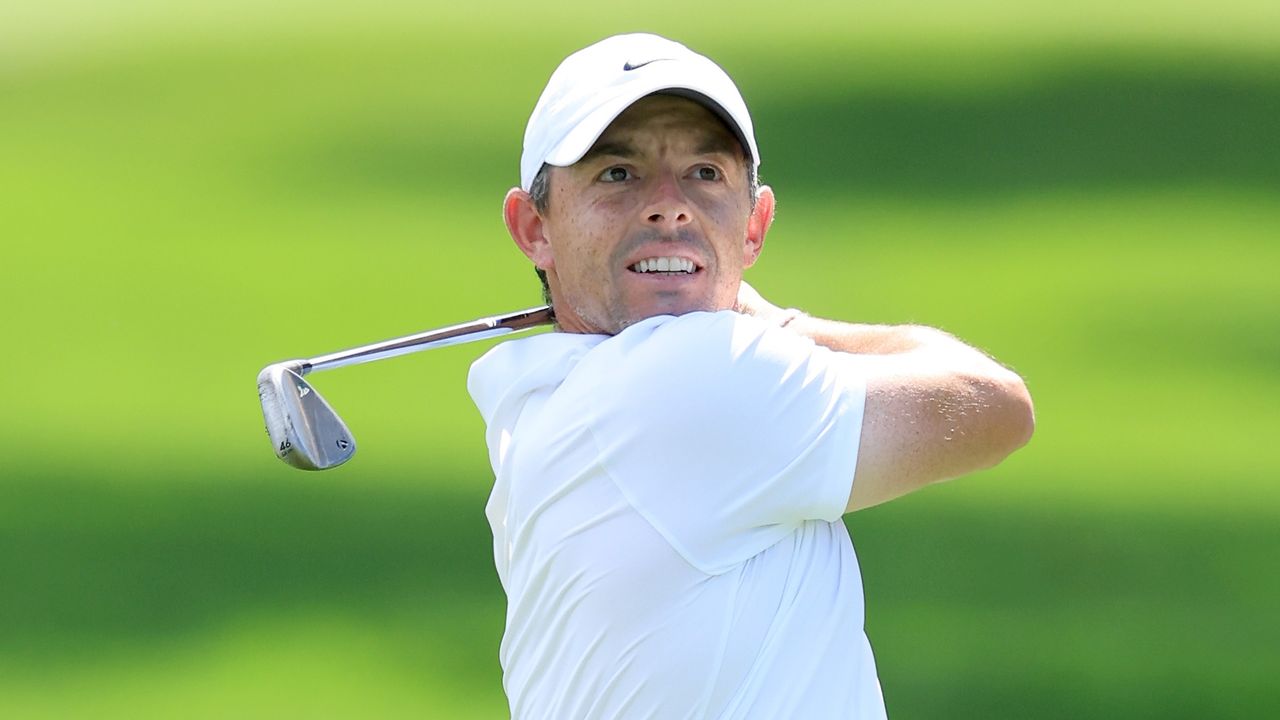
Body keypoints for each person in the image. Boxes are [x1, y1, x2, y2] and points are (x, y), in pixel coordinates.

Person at [467, 33, 1034, 719]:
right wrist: (788, 323)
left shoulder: (537, 397)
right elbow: (994, 408)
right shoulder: (699, 378)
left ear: (754, 222)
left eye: (705, 173)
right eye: (618, 174)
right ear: (534, 227)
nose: (669, 207)